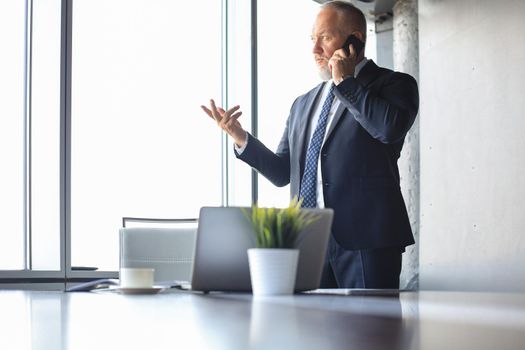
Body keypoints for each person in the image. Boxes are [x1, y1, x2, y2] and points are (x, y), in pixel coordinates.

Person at [201, 1, 419, 289]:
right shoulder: (303, 103)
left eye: (325, 38)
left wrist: (347, 83)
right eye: (312, 39)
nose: (315, 49)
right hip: (308, 240)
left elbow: (388, 129)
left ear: (356, 38)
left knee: (371, 332)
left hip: (367, 240)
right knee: (312, 329)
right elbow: (282, 172)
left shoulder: (394, 84)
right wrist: (241, 138)